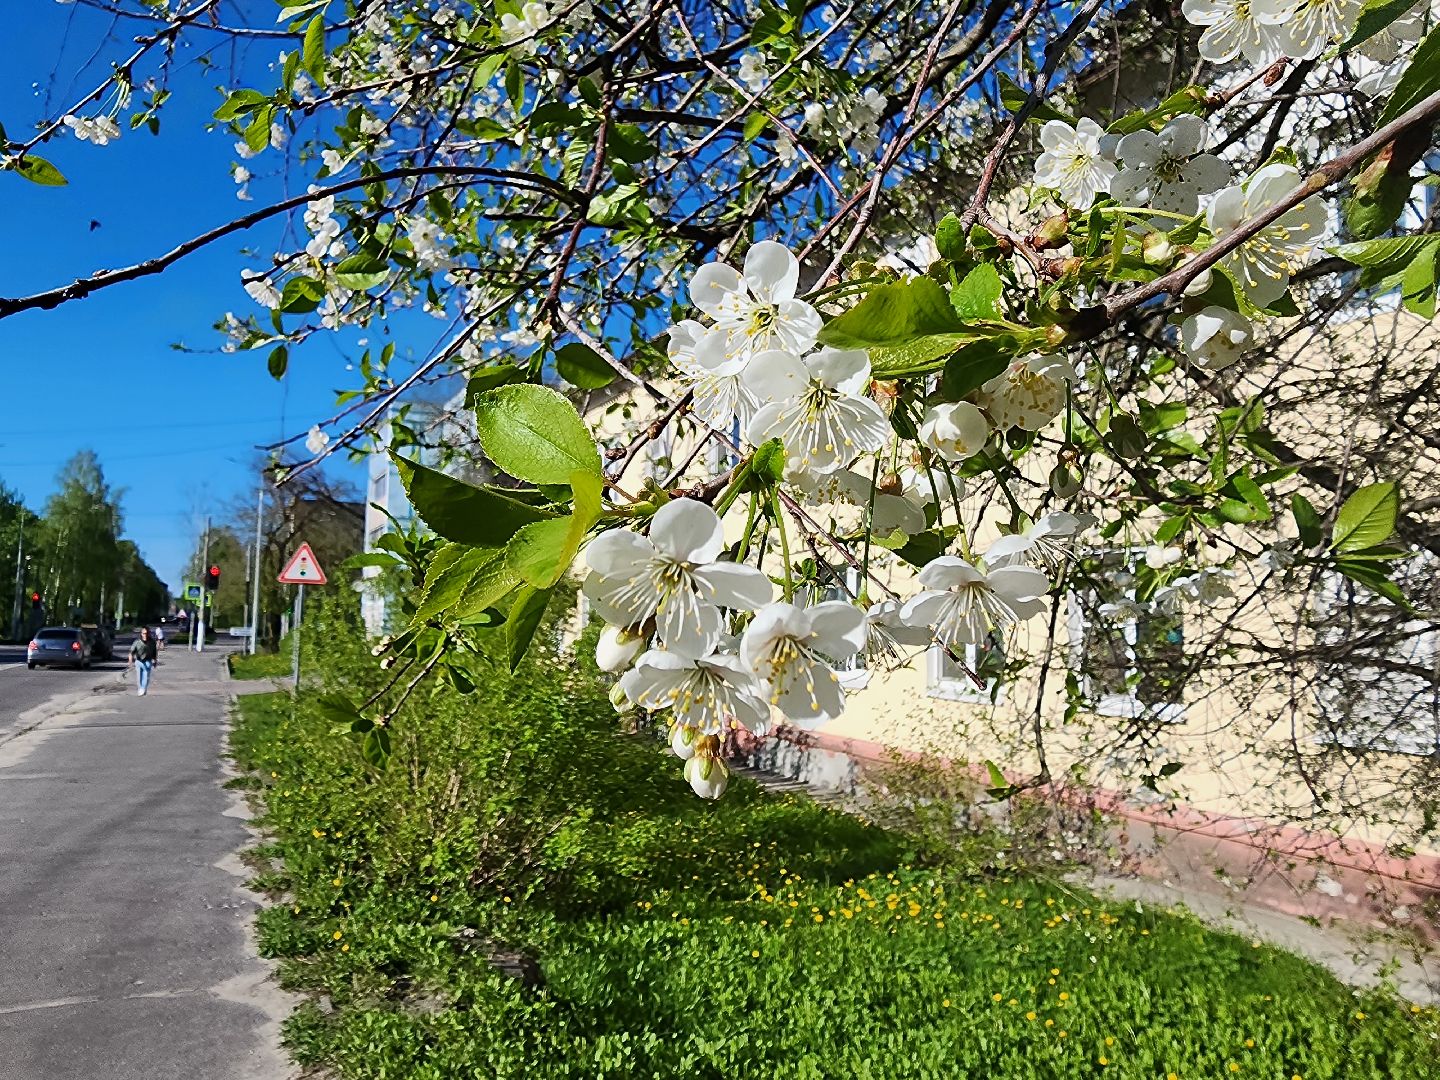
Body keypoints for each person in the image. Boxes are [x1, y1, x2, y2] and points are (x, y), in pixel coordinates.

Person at [129, 627, 158, 696]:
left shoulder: (152, 642)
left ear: (149, 633)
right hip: (139, 662)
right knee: (139, 677)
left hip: (148, 661)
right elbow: (131, 652)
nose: (145, 635)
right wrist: (130, 662)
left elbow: (154, 652)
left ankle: (143, 688)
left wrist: (155, 661)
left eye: (147, 633)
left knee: (146, 676)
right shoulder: (137, 642)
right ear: (141, 634)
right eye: (144, 633)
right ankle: (141, 689)